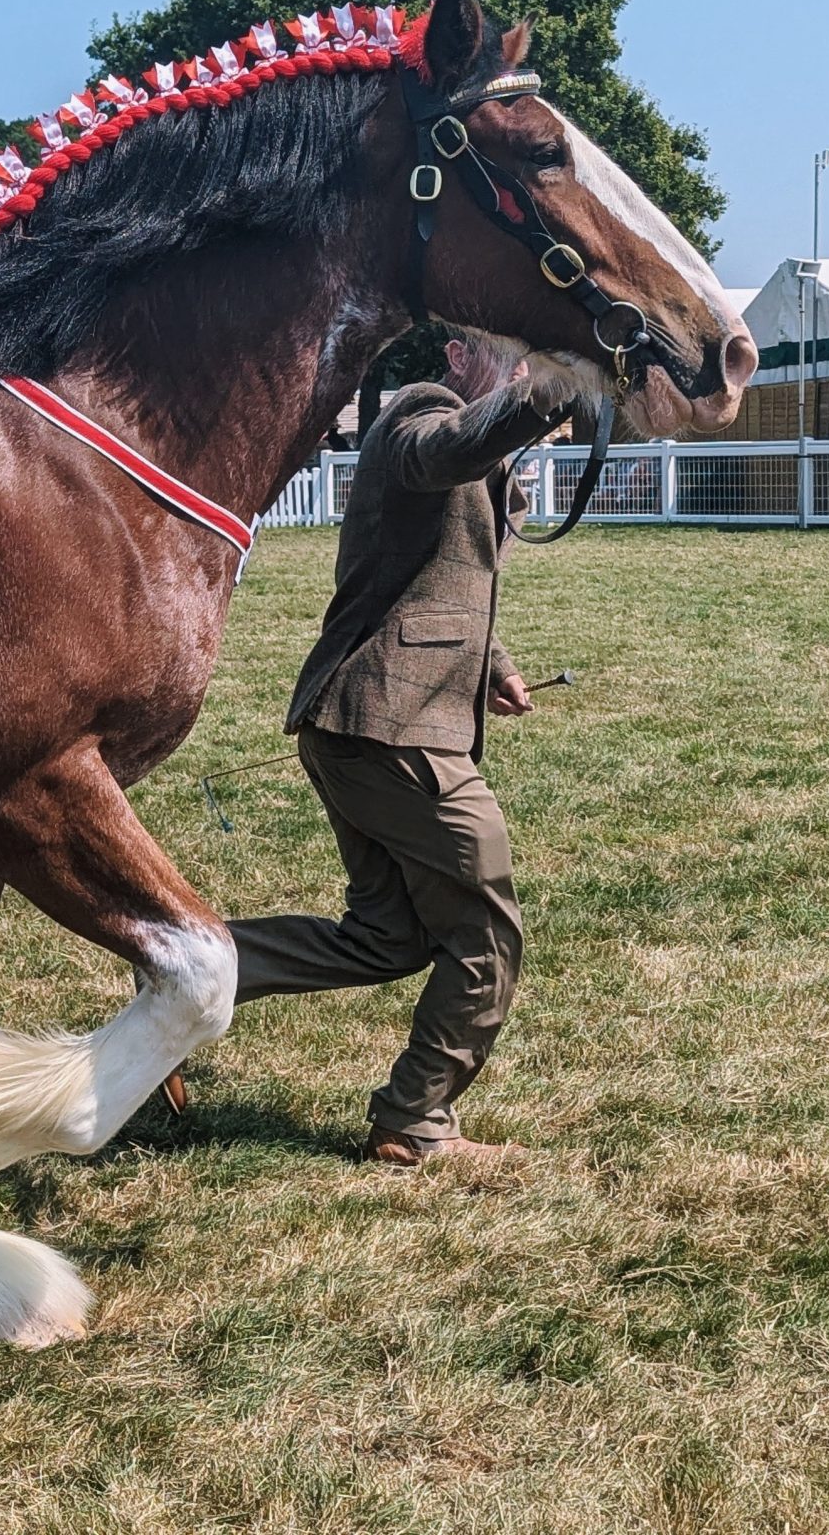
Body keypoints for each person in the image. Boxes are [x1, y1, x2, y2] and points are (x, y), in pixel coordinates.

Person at [225, 337, 572, 1167]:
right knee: (486, 933)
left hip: (367, 725)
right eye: (512, 352)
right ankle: (414, 1121)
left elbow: (427, 578)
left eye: (536, 358)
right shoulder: (421, 412)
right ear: (457, 353)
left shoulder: (486, 456)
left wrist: (495, 667)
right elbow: (447, 451)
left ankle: (194, 967)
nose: (524, 368)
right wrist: (558, 389)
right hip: (392, 726)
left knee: (387, 937)